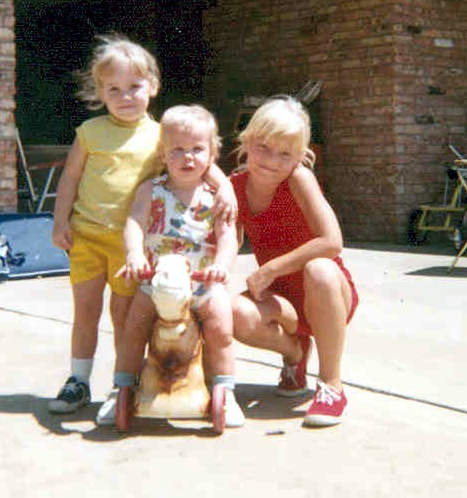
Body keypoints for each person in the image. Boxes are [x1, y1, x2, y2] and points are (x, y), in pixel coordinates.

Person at [47, 35, 235, 423]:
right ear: (100, 92)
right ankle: (78, 380)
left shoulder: (161, 135)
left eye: (134, 86)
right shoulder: (90, 131)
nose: (125, 96)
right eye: (113, 89)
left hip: (131, 245)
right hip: (87, 236)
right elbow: (70, 178)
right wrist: (60, 220)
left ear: (152, 86)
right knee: (85, 312)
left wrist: (226, 187)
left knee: (124, 317)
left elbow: (201, 158)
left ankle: (123, 386)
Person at [230, 95, 358, 427]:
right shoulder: (234, 187)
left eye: (285, 153)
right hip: (281, 298)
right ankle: (294, 354)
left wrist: (271, 268)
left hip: (326, 292)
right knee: (233, 312)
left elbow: (332, 242)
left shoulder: (299, 179)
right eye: (263, 147)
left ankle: (331, 385)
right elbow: (229, 241)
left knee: (320, 269)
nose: (271, 161)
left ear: (300, 156)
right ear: (246, 140)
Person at [114, 104, 244, 427]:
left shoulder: (217, 197)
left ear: (212, 153)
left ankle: (225, 390)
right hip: (157, 281)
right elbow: (134, 224)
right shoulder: (151, 190)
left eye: (197, 149)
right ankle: (122, 386)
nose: (188, 158)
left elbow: (228, 237)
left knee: (221, 326)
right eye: (177, 150)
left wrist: (221, 266)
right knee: (134, 326)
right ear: (163, 154)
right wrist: (135, 254)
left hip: (202, 281)